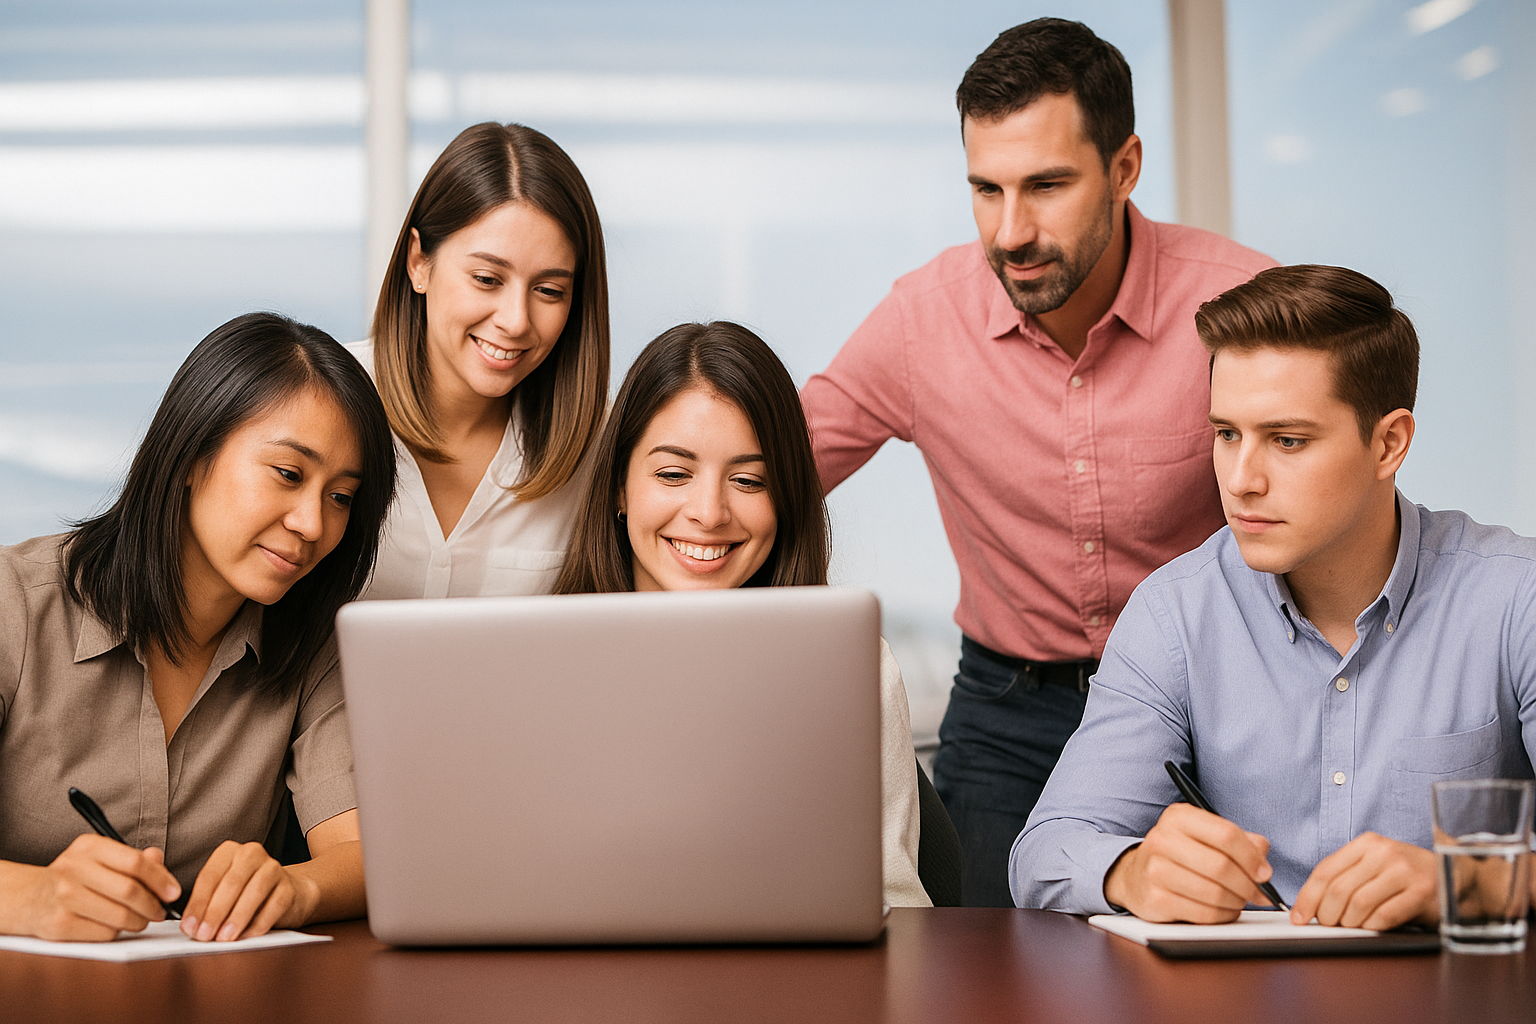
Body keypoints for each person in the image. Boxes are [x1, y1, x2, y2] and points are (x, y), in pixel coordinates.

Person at [799, 17, 1277, 906]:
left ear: (1125, 168)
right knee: (983, 974)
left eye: (1047, 186)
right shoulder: (921, 320)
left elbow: (1334, 506)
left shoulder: (1238, 306)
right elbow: (771, 474)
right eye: (986, 190)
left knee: (1228, 966)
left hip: (1216, 699)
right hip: (1008, 712)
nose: (1011, 231)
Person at [1012, 265, 1536, 927]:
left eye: (1287, 441)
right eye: (1227, 434)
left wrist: (1467, 881)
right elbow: (1043, 853)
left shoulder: (1517, 599)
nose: (1241, 479)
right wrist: (1131, 870)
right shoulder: (1176, 613)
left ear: (1390, 443)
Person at [0, 312, 396, 943]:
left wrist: (295, 886)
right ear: (190, 455)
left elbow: (363, 854)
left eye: (341, 496)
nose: (313, 524)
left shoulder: (313, 638)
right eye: (289, 474)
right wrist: (31, 897)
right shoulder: (15, 605)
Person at [555, 321, 931, 907]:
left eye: (749, 480)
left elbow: (895, 905)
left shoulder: (847, 665)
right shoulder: (540, 664)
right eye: (673, 474)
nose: (709, 512)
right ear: (619, 490)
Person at [351, 121, 610, 599]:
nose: (516, 321)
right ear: (418, 263)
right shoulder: (325, 403)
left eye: (549, 291)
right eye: (488, 279)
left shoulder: (602, 447)